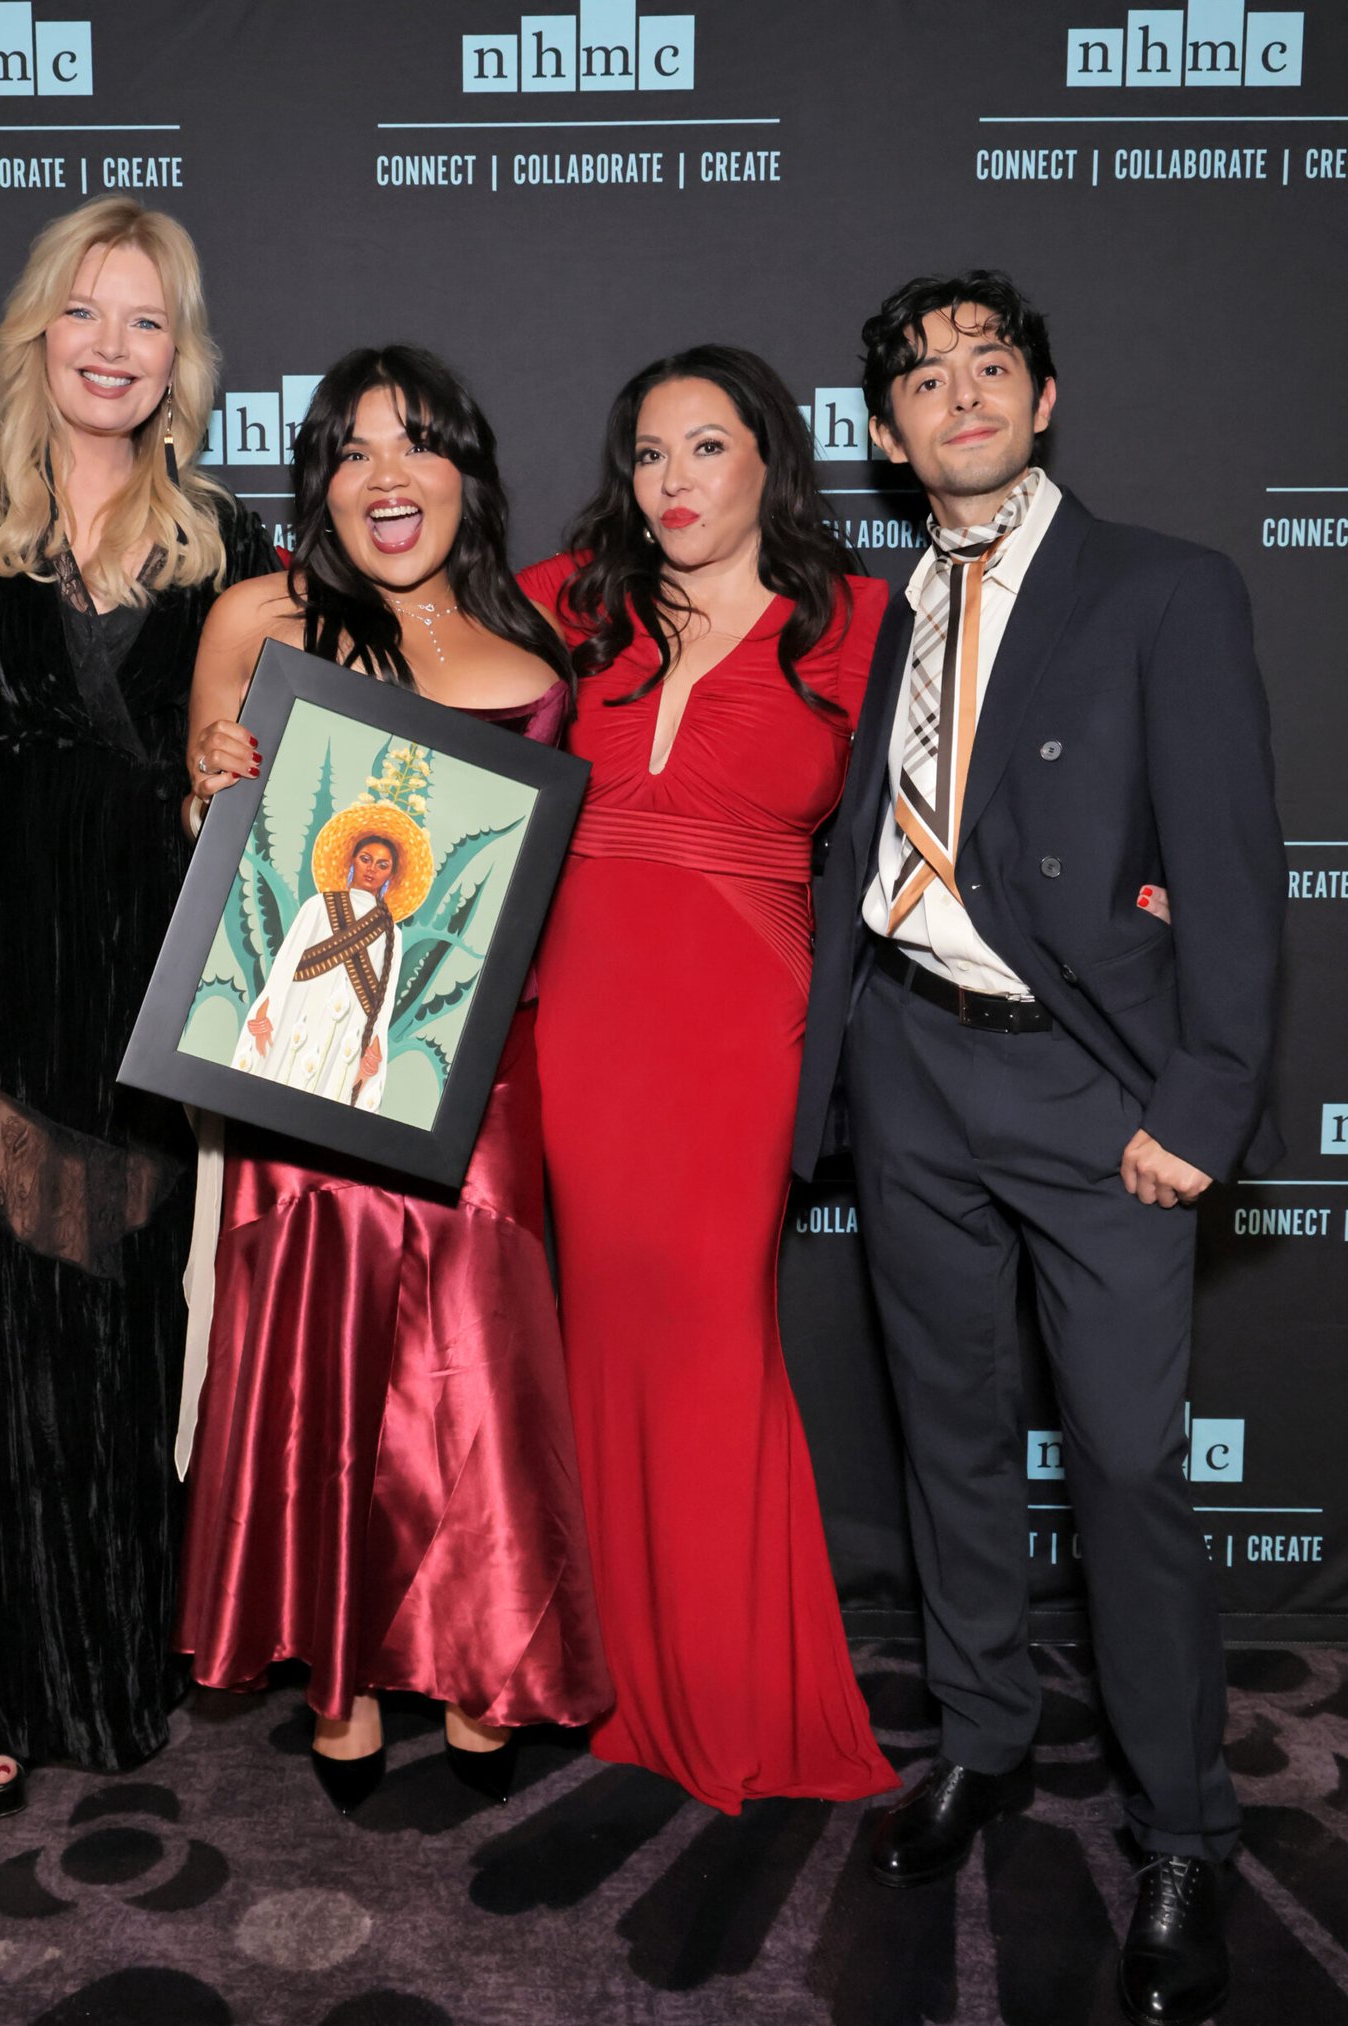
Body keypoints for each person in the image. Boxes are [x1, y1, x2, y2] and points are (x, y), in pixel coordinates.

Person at [791, 270, 1285, 2026]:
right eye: (924, 380)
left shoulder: (1164, 588)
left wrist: (1202, 1103)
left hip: (1098, 1092)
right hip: (912, 1059)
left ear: (1048, 395)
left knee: (1134, 1470)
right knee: (948, 1436)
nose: (962, 394)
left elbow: (1232, 869)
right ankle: (984, 1739)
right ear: (884, 433)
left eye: (991, 365)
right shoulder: (873, 609)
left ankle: (1185, 1832)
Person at [0, 196, 277, 1819]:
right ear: (37, 327)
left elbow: (264, 768)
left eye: (147, 320)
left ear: (182, 355)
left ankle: (110, 1652)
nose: (112, 345)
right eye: (87, 311)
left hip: (148, 977)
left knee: (118, 1329)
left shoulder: (223, 537)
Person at [174, 346, 611, 1811]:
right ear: (323, 481)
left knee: (473, 1369)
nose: (386, 476)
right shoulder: (259, 616)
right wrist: (211, 779)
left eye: (416, 445)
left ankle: (484, 1652)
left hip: (481, 1076)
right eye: (354, 450)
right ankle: (340, 1677)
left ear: (465, 472)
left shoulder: (534, 639)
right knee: (325, 1365)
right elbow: (202, 823)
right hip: (307, 1071)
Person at [520, 347, 897, 1815]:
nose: (674, 483)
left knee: (713, 1335)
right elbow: (398, 625)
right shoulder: (574, 600)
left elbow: (980, 772)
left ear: (768, 462)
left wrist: (1130, 879)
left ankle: (740, 1685)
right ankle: (612, 1675)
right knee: (600, 1338)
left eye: (707, 449)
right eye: (650, 455)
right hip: (583, 1017)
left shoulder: (855, 621)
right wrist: (233, 721)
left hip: (746, 1023)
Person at [230, 829, 409, 1108]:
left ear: (391, 876)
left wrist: (374, 1048)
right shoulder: (317, 906)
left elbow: (383, 1004)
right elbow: (284, 966)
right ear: (352, 860)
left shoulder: (393, 935)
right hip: (299, 1008)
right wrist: (266, 1012)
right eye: (366, 858)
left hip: (351, 1028)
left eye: (382, 865)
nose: (372, 869)